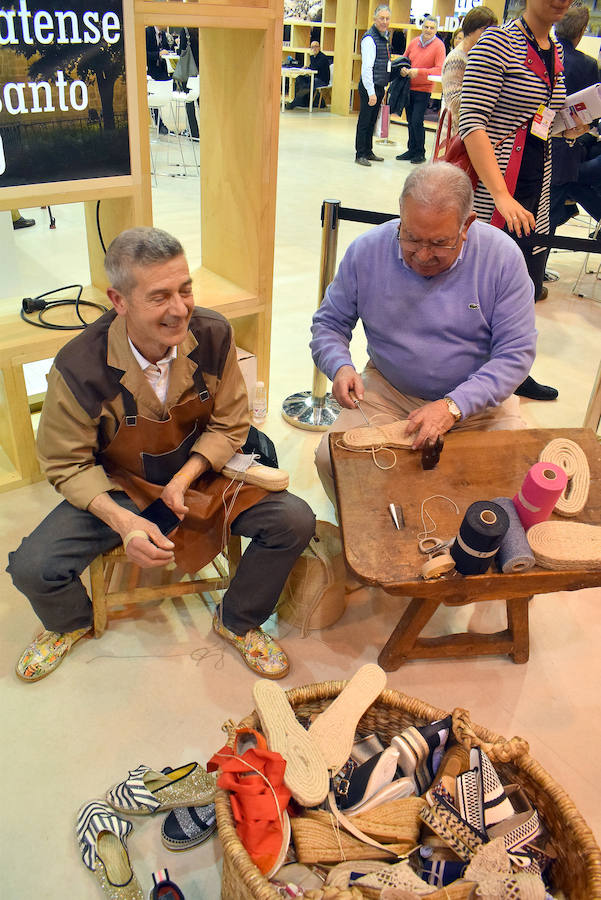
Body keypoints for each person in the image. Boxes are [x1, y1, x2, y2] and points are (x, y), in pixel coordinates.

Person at [8, 227, 315, 683]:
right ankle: (69, 623)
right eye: (159, 297)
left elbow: (231, 423)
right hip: (123, 486)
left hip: (201, 476)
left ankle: (238, 620)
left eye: (185, 290)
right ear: (119, 301)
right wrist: (123, 522)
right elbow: (65, 464)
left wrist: (185, 477)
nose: (179, 309)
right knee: (33, 569)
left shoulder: (213, 334)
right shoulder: (79, 365)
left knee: (294, 521)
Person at [311, 163, 536, 504]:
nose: (423, 254)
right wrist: (340, 365)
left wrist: (454, 405)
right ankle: (363, 530)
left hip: (479, 403)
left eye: (439, 243)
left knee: (510, 477)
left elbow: (515, 354)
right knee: (331, 460)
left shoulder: (502, 258)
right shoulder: (367, 251)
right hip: (389, 391)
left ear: (467, 226)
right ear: (401, 215)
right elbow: (329, 323)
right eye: (411, 238)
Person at [459, 0, 587, 303]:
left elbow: (535, 119)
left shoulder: (554, 49)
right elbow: (471, 122)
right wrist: (501, 195)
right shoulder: (496, 42)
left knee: (522, 292)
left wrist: (567, 127)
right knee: (478, 294)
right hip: (494, 190)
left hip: (536, 186)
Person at [549, 6, 601, 233]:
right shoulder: (587, 64)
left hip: (534, 144)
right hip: (566, 148)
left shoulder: (543, 55)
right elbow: (593, 117)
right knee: (550, 214)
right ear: (581, 32)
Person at [395, 16, 446, 165]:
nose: (428, 30)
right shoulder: (414, 42)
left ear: (436, 30)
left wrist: (419, 72)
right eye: (426, 27)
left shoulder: (439, 46)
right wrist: (403, 69)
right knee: (410, 120)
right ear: (422, 27)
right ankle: (411, 149)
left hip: (424, 89)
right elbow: (404, 59)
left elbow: (439, 69)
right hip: (408, 88)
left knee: (417, 120)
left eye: (432, 28)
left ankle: (420, 152)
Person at [441, 7, 498, 131]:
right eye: (485, 29)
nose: (490, 34)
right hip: (457, 133)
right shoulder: (457, 59)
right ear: (471, 29)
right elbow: (454, 103)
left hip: (469, 130)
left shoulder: (477, 55)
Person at [355, 5, 391, 167]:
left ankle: (368, 151)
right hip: (370, 86)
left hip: (379, 85)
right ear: (375, 19)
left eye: (387, 18)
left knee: (371, 122)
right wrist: (371, 92)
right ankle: (360, 153)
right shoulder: (370, 39)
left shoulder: (384, 37)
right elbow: (367, 68)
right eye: (381, 18)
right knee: (365, 121)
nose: (384, 21)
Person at [285, 41, 331, 109]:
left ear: (319, 48)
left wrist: (311, 56)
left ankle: (294, 103)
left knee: (308, 85)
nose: (314, 49)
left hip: (322, 80)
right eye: (312, 47)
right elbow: (312, 67)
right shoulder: (315, 57)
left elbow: (315, 68)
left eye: (316, 46)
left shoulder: (322, 57)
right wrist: (306, 67)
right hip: (314, 77)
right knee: (299, 78)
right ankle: (303, 101)